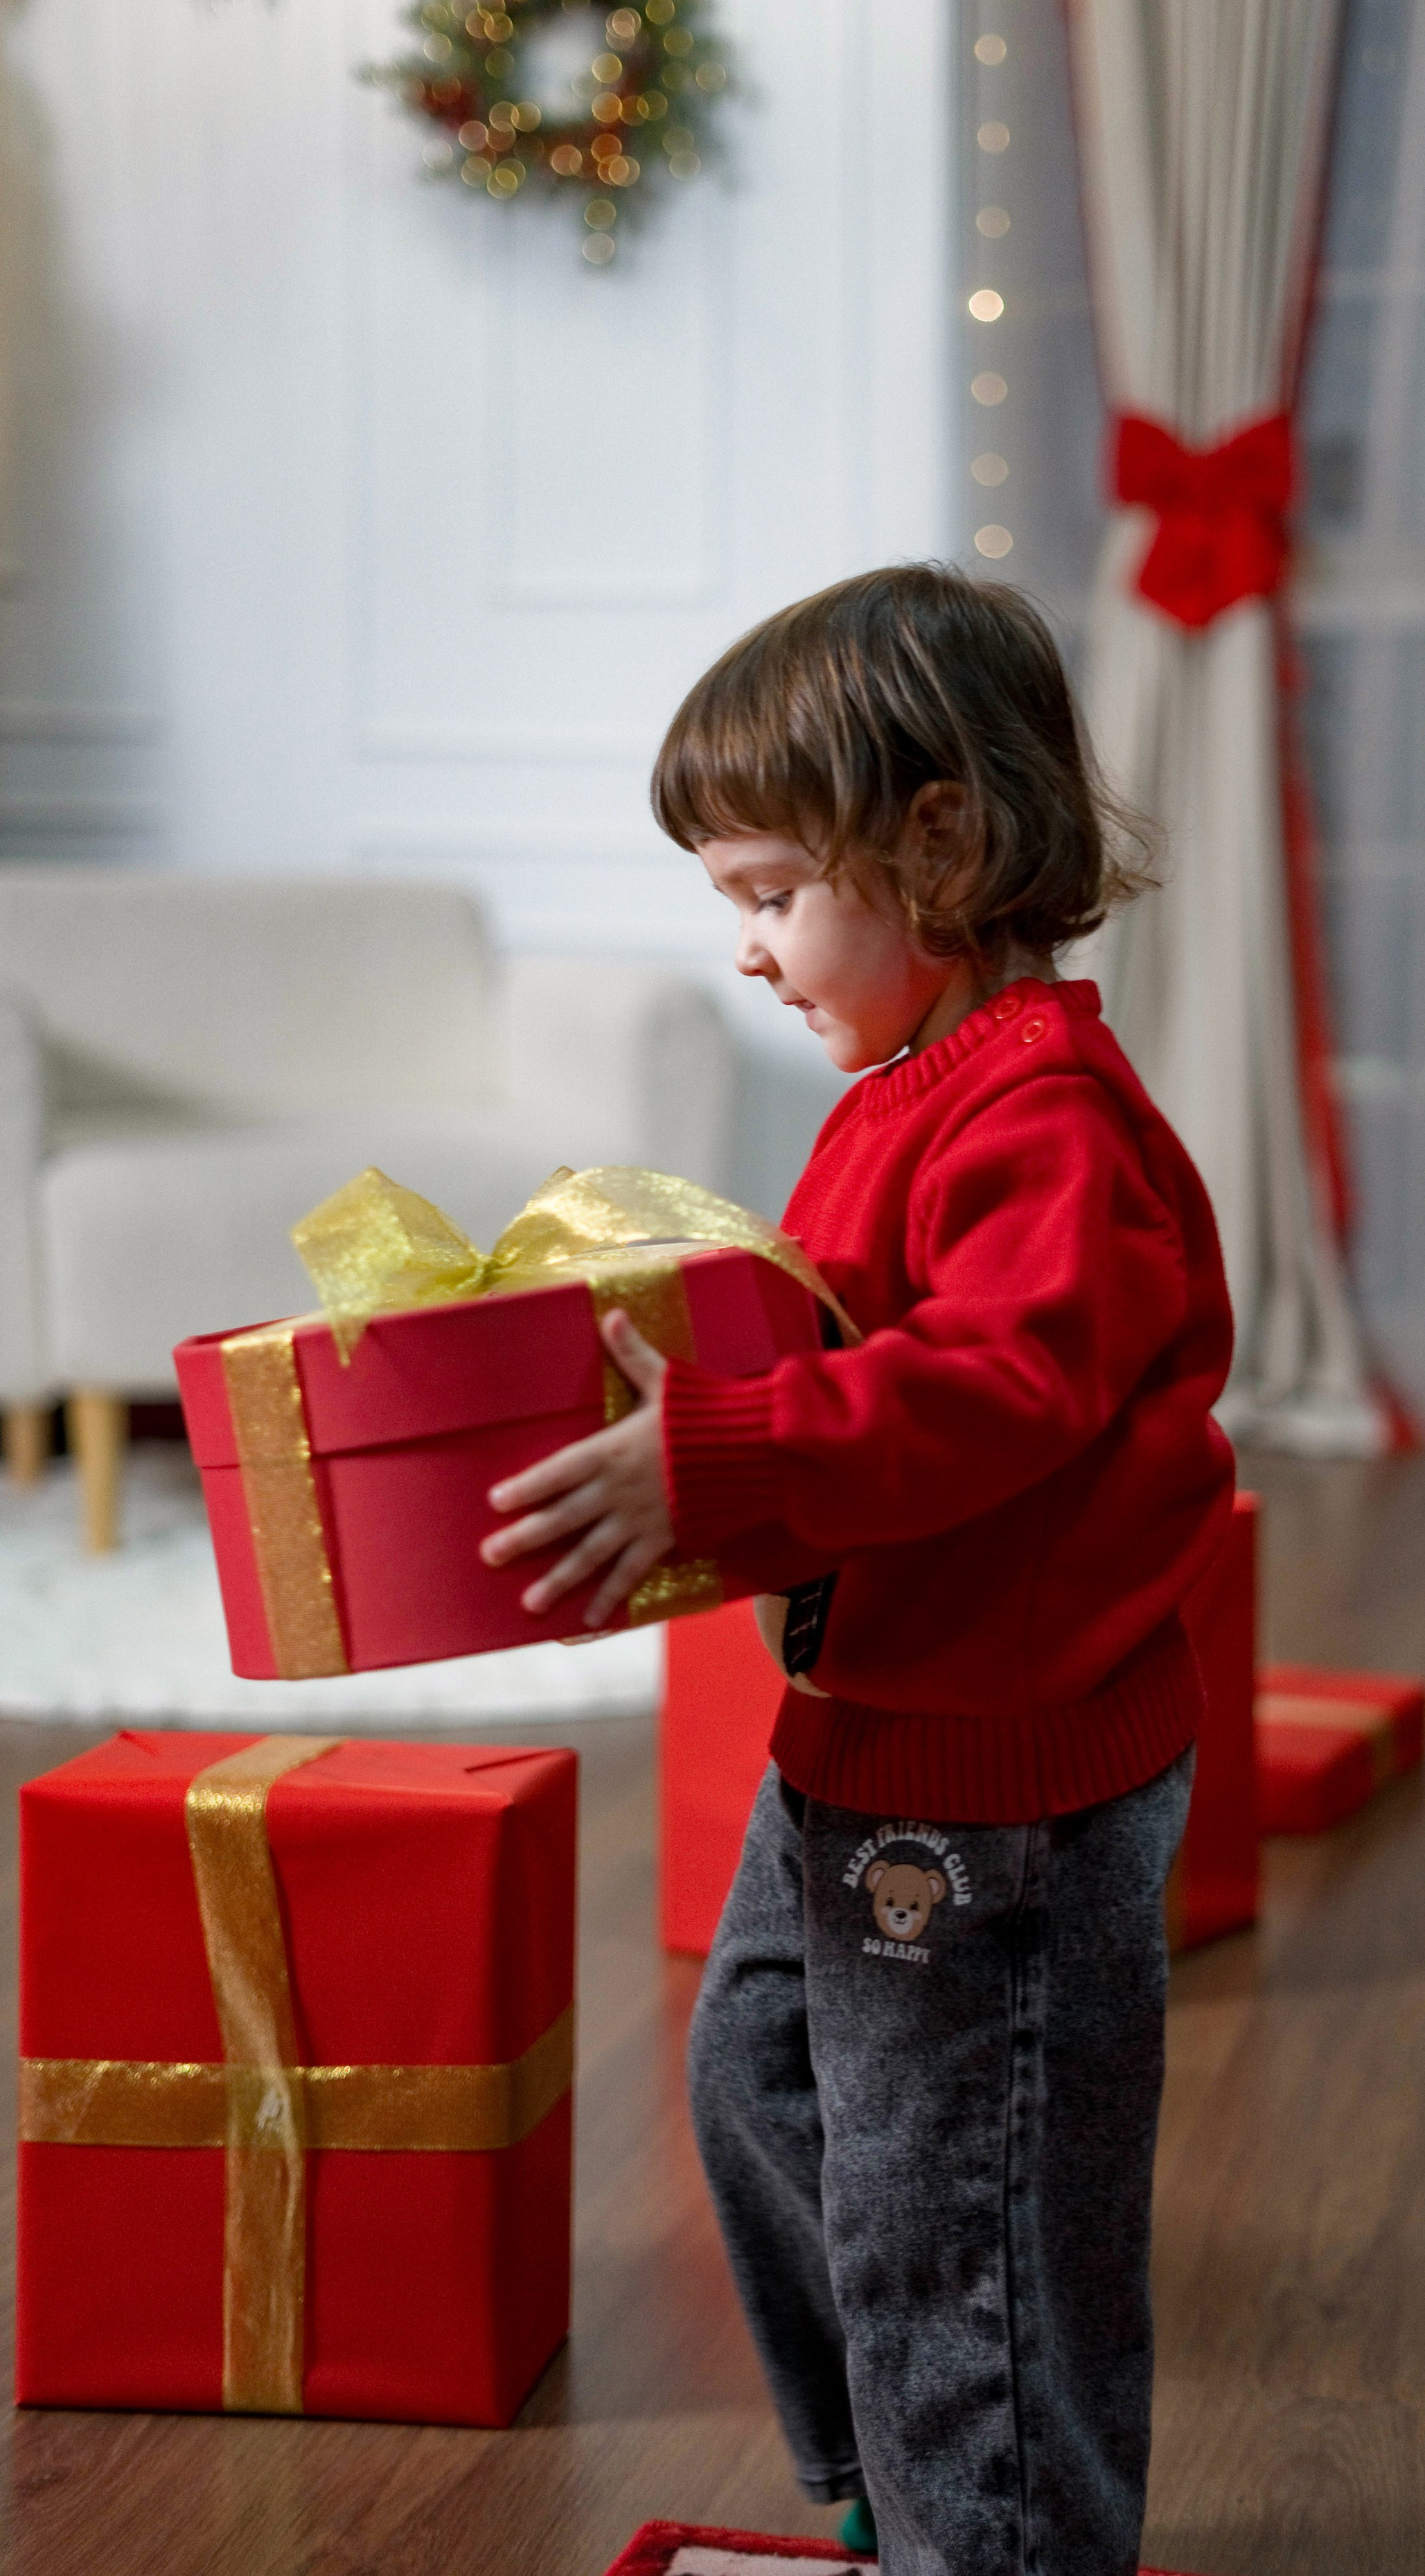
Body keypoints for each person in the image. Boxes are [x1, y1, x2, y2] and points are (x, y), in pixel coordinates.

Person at [481, 565, 1234, 2576]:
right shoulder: (901, 1096)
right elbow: (845, 1356)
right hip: (871, 1730)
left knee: (956, 2213)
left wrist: (728, 1450)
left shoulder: (1049, 1122)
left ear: (940, 840)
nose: (742, 951)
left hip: (997, 1783)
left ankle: (981, 2532)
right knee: (755, 2077)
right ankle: (897, 2482)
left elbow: (990, 1389)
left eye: (763, 894)